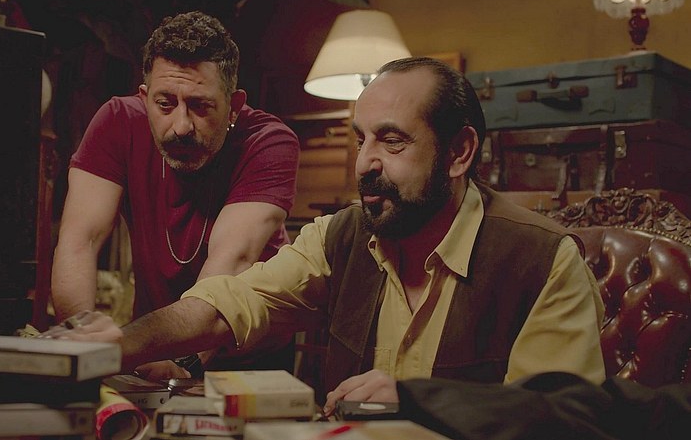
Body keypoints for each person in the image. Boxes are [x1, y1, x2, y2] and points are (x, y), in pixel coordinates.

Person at [47, 57, 605, 415]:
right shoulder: (343, 235)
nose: (364, 163)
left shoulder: (542, 258)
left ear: (459, 153)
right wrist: (120, 344)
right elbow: (231, 302)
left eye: (392, 141)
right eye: (361, 140)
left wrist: (421, 401)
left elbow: (563, 418)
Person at [50, 11, 300, 378]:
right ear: (145, 97)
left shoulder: (268, 142)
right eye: (165, 104)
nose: (181, 126)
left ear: (233, 105)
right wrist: (82, 340)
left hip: (247, 356)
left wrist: (184, 360)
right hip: (154, 345)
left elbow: (232, 261)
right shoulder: (117, 121)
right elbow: (79, 240)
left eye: (200, 106)